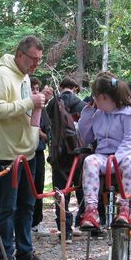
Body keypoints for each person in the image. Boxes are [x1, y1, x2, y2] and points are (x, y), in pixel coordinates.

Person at [0, 35, 53, 260]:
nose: (36, 65)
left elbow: (25, 110)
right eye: (33, 59)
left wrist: (38, 102)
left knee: (27, 204)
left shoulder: (23, 74)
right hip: (6, 154)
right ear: (20, 55)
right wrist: (29, 102)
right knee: (7, 208)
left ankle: (25, 254)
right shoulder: (2, 75)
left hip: (28, 152)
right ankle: (6, 257)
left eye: (39, 60)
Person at [78, 73, 131, 231]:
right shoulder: (99, 113)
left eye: (95, 97)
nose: (94, 100)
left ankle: (125, 208)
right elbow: (86, 137)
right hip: (105, 156)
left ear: (103, 97)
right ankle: (91, 211)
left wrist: (114, 160)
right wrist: (87, 114)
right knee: (90, 161)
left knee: (129, 161)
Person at [46, 76, 86, 242]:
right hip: (78, 151)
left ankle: (64, 229)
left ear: (61, 87)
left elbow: (45, 125)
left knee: (60, 191)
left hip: (58, 152)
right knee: (81, 187)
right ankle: (81, 223)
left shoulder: (52, 104)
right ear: (75, 88)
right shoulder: (82, 105)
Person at [30, 77, 52, 238]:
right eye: (33, 89)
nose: (36, 92)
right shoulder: (21, 108)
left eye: (37, 88)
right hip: (21, 154)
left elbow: (48, 133)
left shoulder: (42, 109)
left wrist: (38, 132)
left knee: (37, 188)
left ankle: (36, 223)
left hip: (38, 153)